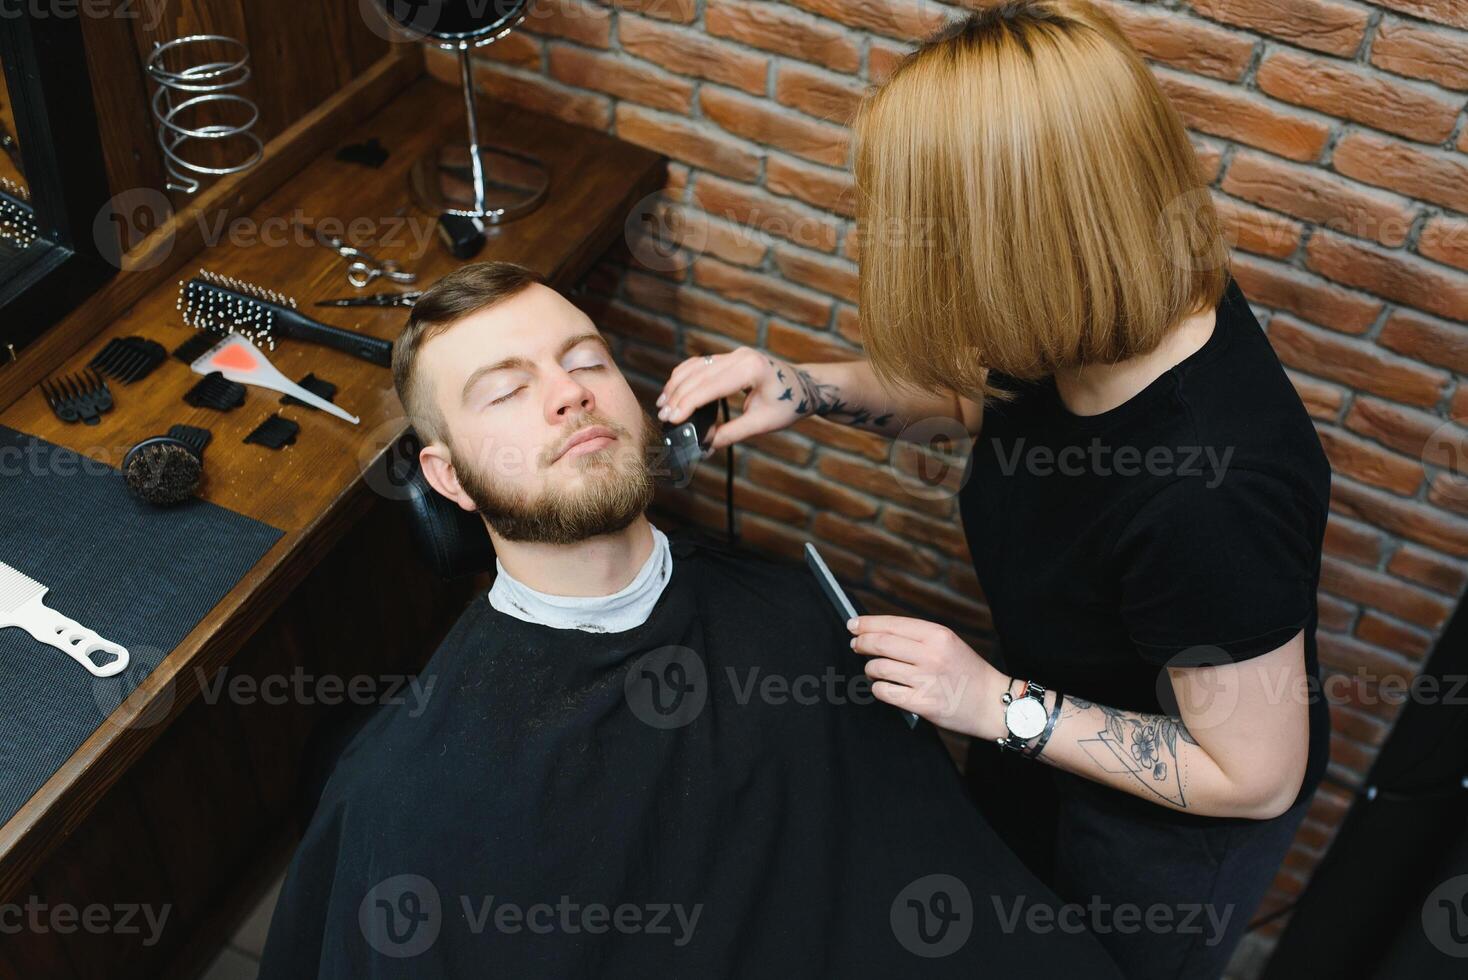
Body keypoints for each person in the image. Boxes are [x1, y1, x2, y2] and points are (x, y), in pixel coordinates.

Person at [654, 2, 1331, 977]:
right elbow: (986, 402)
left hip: (1167, 823)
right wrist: (805, 386)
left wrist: (994, 703)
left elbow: (1253, 774)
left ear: (1018, 237)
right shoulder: (1098, 299)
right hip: (1042, 723)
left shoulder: (1210, 492)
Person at [256, 262, 1121, 977]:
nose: (567, 395)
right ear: (447, 480)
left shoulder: (800, 616)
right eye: (505, 392)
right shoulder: (406, 794)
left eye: (585, 361)